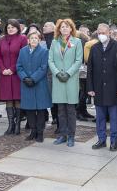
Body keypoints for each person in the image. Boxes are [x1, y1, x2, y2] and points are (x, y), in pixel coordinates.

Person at [87, 23, 117, 151]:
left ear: (109, 33)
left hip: (114, 88)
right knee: (100, 117)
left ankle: (114, 141)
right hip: (98, 88)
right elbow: (90, 69)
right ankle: (101, 139)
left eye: (103, 32)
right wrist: (90, 87)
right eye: (99, 32)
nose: (101, 35)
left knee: (114, 117)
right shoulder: (94, 48)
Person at [49, 18, 83, 147]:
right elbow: (50, 60)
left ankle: (71, 136)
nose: (64, 29)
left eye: (66, 26)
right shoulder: (54, 42)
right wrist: (57, 73)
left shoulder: (77, 42)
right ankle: (62, 135)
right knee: (60, 110)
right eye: (62, 27)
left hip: (70, 79)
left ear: (71, 29)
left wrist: (68, 73)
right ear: (58, 29)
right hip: (58, 80)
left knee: (70, 110)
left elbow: (78, 60)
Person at [17, 31, 51, 142]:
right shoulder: (23, 51)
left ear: (40, 40)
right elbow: (19, 66)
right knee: (30, 110)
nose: (34, 40)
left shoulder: (44, 51)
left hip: (40, 84)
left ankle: (40, 133)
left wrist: (34, 78)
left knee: (41, 110)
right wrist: (24, 78)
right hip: (26, 84)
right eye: (31, 38)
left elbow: (43, 67)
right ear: (28, 40)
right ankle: (33, 131)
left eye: (36, 38)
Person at [0, 19, 27, 135]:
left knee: (17, 99)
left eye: (13, 27)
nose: (10, 29)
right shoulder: (2, 39)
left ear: (17, 28)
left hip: (17, 74)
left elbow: (23, 55)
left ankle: (18, 125)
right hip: (4, 74)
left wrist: (12, 69)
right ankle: (11, 125)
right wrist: (3, 69)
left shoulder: (22, 38)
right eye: (8, 27)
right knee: (8, 99)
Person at [43, 21, 58, 128]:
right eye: (43, 26)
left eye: (46, 26)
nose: (44, 27)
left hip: (53, 71)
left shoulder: (55, 39)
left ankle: (57, 117)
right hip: (44, 71)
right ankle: (53, 116)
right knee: (48, 95)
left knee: (54, 95)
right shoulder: (42, 39)